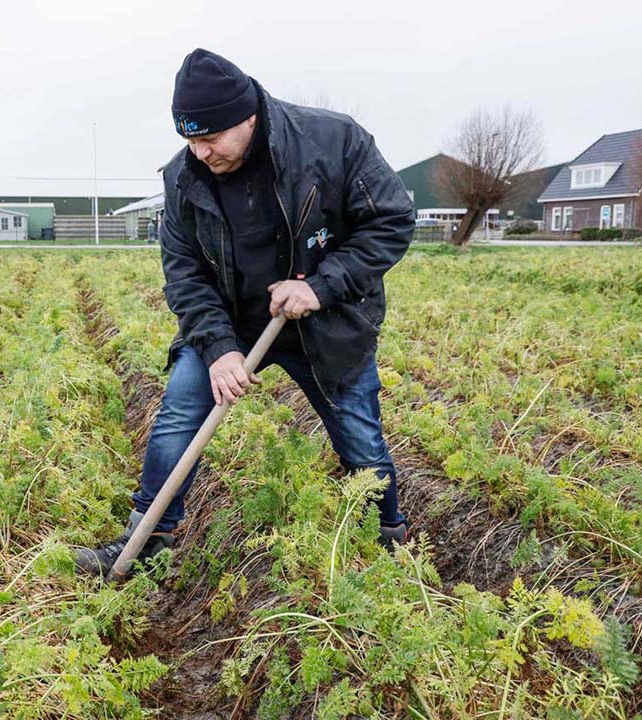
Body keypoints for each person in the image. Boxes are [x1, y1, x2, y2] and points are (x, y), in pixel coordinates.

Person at [76, 48, 415, 576]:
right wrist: (216, 349)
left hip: (323, 321)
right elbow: (184, 273)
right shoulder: (184, 179)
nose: (200, 151)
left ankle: (388, 538)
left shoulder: (332, 142)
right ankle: (148, 539)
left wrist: (321, 287)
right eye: (189, 139)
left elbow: (391, 222)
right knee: (180, 414)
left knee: (358, 433)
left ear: (248, 117)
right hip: (231, 322)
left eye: (210, 138)